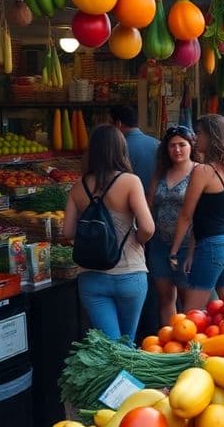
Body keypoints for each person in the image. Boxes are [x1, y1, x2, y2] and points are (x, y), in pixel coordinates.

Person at [63, 125, 154, 341]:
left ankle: (116, 375)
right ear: (121, 149)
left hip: (90, 276)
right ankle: (126, 375)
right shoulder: (130, 182)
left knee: (110, 347)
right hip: (130, 273)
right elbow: (148, 227)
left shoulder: (78, 187)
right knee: (126, 342)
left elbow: (68, 231)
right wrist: (138, 241)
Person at [169, 115, 224, 310]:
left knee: (192, 315)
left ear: (212, 137)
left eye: (199, 133)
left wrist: (174, 250)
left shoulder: (202, 171)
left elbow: (187, 215)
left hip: (213, 244)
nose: (195, 138)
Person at [145, 125, 197, 325]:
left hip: (187, 244)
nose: (177, 150)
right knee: (165, 298)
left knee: (189, 302)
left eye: (182, 145)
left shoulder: (197, 172)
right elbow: (149, 204)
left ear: (191, 146)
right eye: (172, 146)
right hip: (159, 243)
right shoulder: (160, 173)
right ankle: (169, 339)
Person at [110, 105, 159, 192]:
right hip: (157, 200)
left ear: (118, 124)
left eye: (110, 123)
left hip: (130, 200)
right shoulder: (158, 144)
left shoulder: (116, 149)